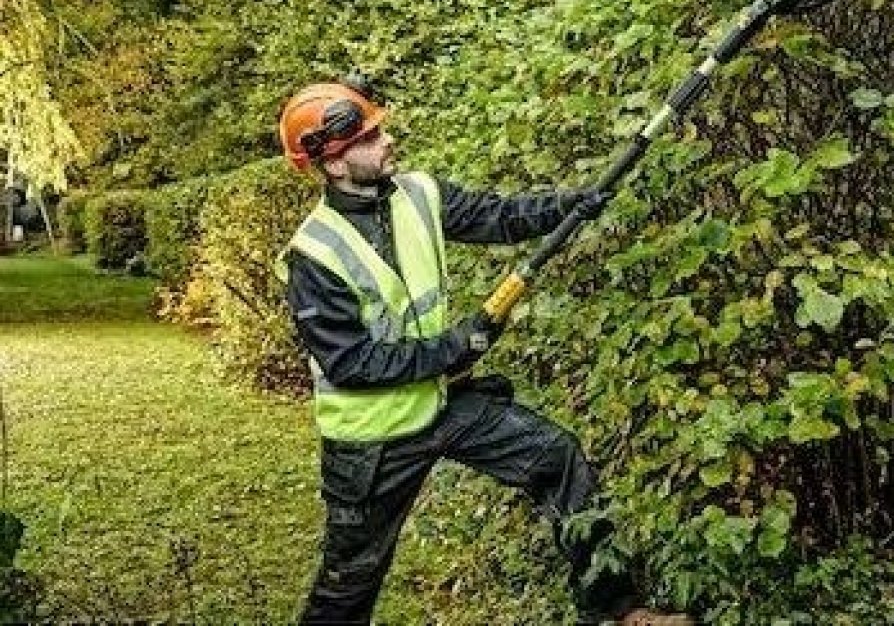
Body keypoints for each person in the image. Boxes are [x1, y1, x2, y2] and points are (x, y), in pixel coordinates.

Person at [275, 77, 692, 626]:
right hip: (372, 445)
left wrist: (571, 204)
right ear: (332, 163)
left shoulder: (417, 194)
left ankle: (614, 609)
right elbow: (351, 364)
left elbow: (499, 215)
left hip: (441, 405)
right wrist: (454, 346)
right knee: (348, 586)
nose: (388, 140)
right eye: (372, 137)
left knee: (555, 457)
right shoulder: (315, 253)